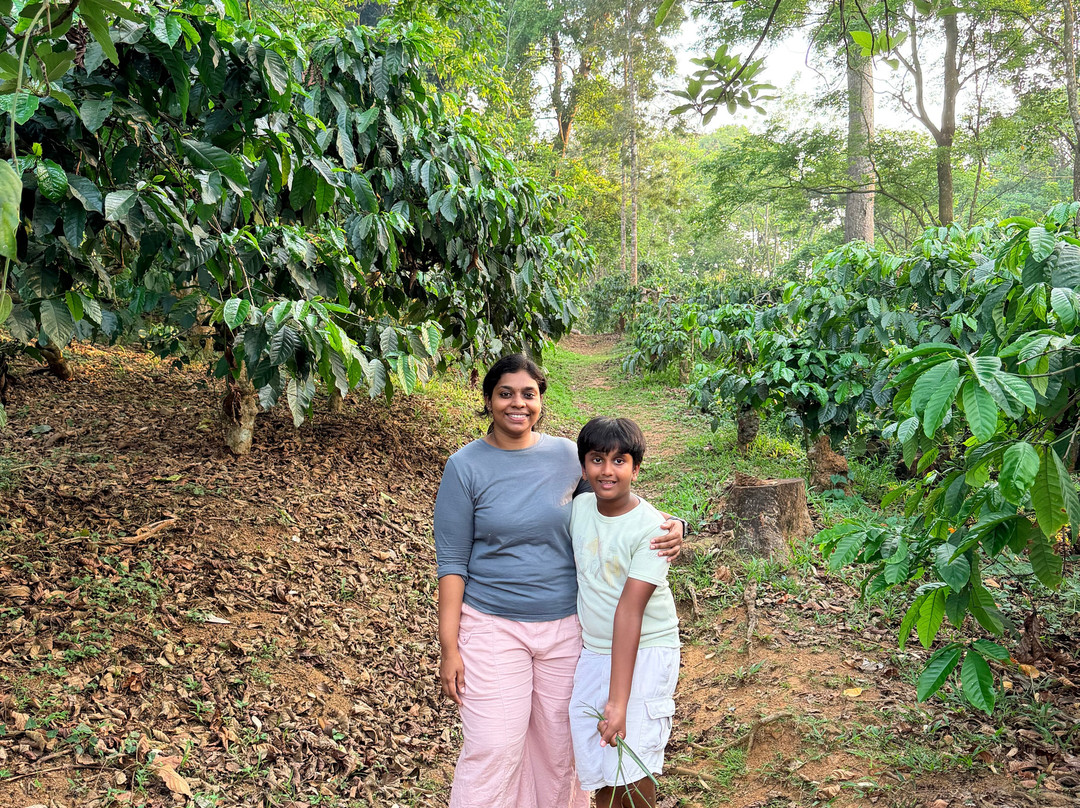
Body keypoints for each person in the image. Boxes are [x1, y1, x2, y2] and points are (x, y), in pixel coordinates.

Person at [434, 354, 684, 808]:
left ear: (540, 400)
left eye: (528, 394)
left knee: (558, 749)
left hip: (568, 629)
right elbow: (452, 561)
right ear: (489, 399)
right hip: (493, 624)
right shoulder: (465, 467)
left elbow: (615, 501)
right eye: (505, 393)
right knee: (494, 745)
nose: (517, 404)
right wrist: (449, 647)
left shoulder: (567, 456)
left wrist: (672, 523)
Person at [568, 417, 679, 808]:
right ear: (583, 467)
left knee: (631, 763)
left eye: (620, 461)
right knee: (601, 759)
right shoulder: (580, 508)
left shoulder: (653, 531)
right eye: (597, 459)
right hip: (594, 650)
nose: (608, 470)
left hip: (646, 650)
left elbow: (630, 612)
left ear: (636, 468)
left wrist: (618, 700)